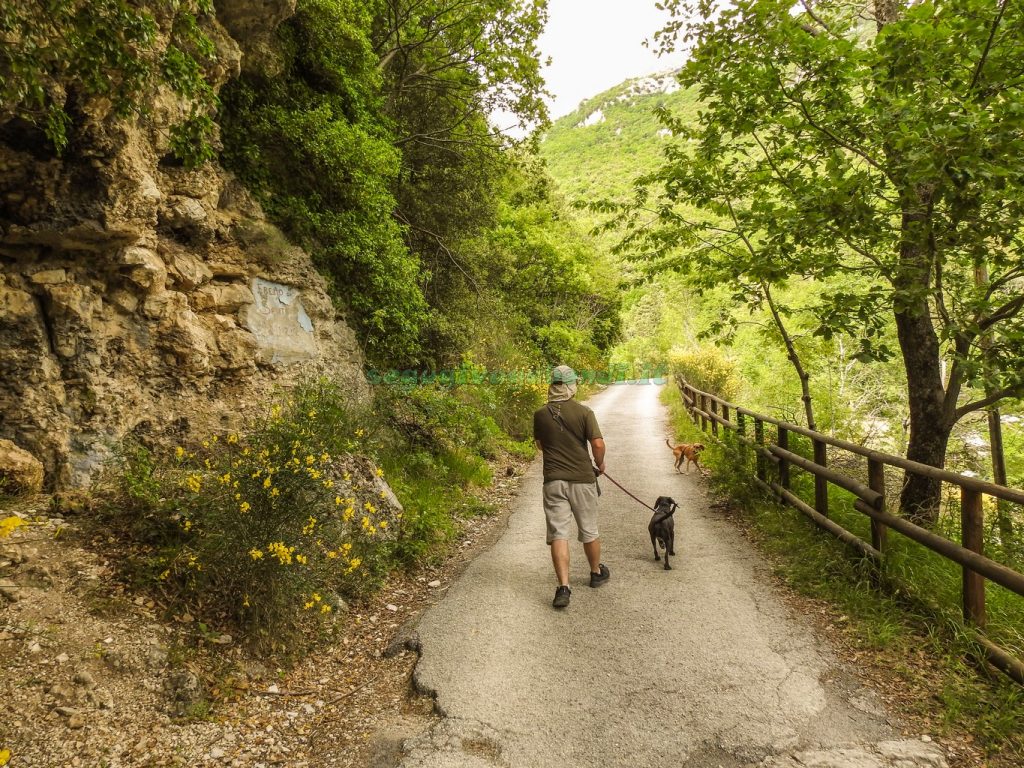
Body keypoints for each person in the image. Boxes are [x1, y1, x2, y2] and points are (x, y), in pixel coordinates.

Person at [533, 365, 609, 609]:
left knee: (558, 533)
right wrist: (599, 464)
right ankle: (596, 572)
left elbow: (540, 446)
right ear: (571, 386)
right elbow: (597, 444)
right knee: (589, 529)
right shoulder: (584, 412)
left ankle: (563, 587)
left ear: (552, 385)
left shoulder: (540, 415)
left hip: (553, 481)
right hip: (582, 479)